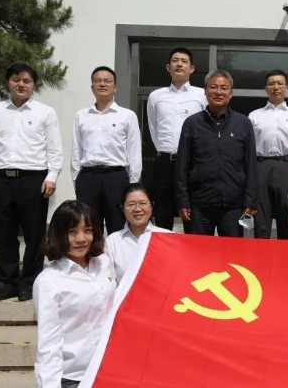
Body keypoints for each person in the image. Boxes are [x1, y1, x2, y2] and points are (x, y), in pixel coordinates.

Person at [33, 200, 127, 388]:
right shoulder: (49, 281)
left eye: (87, 230)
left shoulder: (103, 263)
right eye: (72, 232)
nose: (81, 239)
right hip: (75, 377)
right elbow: (49, 344)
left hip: (108, 370)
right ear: (58, 234)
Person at [0, 63, 63, 302]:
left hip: (33, 179)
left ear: (34, 85)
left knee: (34, 234)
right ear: (7, 82)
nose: (21, 84)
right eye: (16, 80)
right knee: (2, 233)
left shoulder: (45, 112)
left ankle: (29, 283)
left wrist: (52, 176)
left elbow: (54, 148)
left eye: (26, 81)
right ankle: (8, 283)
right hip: (1, 180)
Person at [176, 70, 257, 237]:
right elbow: (182, 166)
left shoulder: (243, 123)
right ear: (205, 91)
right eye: (213, 87)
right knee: (197, 250)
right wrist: (183, 200)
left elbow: (251, 165)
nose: (218, 92)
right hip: (199, 203)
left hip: (233, 205)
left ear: (231, 93)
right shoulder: (192, 123)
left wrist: (250, 200)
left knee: (231, 251)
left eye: (224, 88)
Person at [71, 66, 142, 235]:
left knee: (118, 226)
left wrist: (132, 184)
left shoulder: (127, 115)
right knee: (88, 226)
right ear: (92, 87)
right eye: (98, 81)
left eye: (107, 81)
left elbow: (134, 152)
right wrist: (77, 179)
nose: (102, 84)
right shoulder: (81, 115)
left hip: (116, 177)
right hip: (88, 177)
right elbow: (76, 150)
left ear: (115, 87)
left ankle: (116, 254)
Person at [146, 48, 207, 231]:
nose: (179, 64)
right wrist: (165, 151)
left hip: (192, 163)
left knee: (191, 217)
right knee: (163, 217)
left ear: (192, 68)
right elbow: (153, 129)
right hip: (165, 163)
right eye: (175, 60)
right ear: (168, 67)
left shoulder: (202, 95)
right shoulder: (156, 96)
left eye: (184, 61)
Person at [248, 70, 288, 239]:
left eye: (280, 83)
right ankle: (260, 254)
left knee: (286, 217)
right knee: (260, 220)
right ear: (265, 88)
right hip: (260, 167)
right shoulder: (254, 116)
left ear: (286, 88)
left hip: (287, 167)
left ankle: (284, 254)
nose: (276, 87)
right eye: (271, 84)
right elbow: (249, 148)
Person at [105, 183, 172, 282]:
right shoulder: (112, 242)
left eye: (143, 203)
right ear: (123, 208)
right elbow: (108, 279)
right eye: (131, 204)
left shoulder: (168, 237)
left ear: (152, 206)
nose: (137, 209)